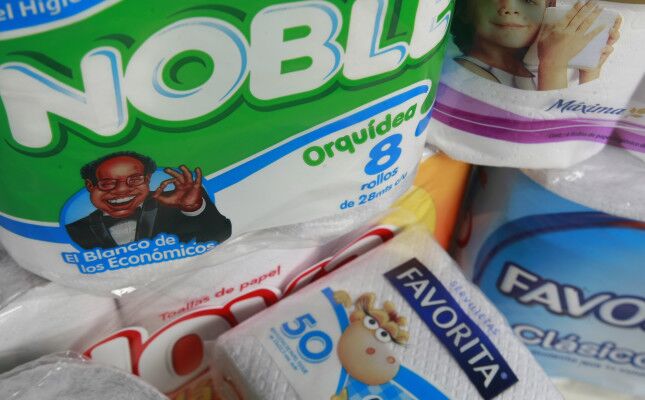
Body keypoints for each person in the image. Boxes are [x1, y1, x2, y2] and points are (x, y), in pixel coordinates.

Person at [65, 151, 232, 250]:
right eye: (107, 183)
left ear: (148, 179)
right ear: (90, 186)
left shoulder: (179, 205)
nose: (122, 190)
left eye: (134, 180)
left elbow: (220, 236)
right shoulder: (74, 231)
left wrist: (193, 207)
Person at [451, 0, 621, 90]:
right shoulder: (467, 72)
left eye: (528, 0)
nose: (510, 8)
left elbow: (579, 127)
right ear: (464, 10)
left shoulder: (530, 69)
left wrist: (590, 70)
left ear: (547, 14)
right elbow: (550, 131)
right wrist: (553, 65)